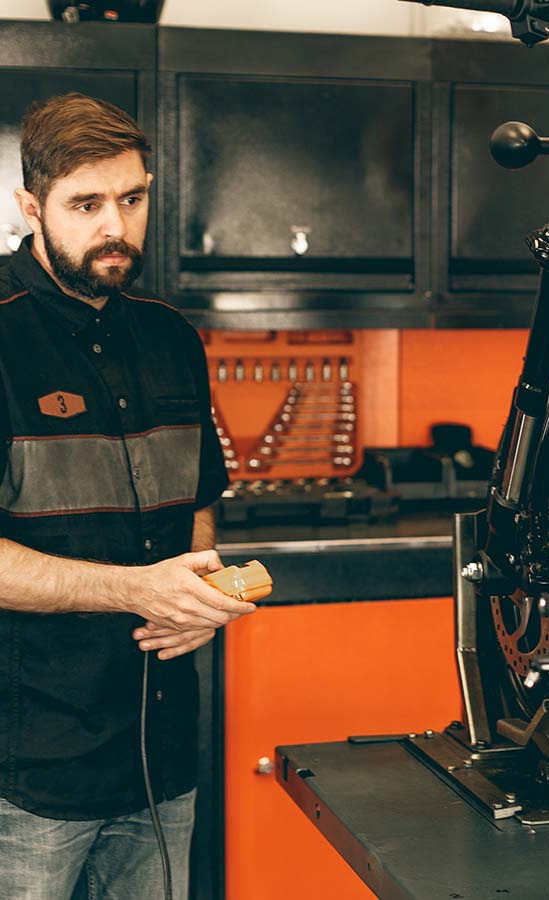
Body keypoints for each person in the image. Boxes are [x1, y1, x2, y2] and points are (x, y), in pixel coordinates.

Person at [0, 93, 255, 900]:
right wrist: (136, 591)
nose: (116, 226)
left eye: (132, 199)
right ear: (31, 207)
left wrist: (198, 592)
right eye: (87, 204)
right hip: (27, 775)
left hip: (160, 760)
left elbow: (197, 497)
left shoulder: (171, 336)